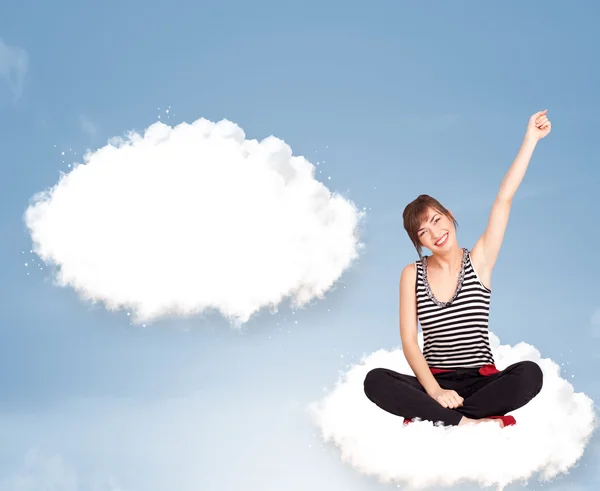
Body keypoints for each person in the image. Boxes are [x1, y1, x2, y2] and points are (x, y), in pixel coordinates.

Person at [363, 110, 551, 428]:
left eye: (437, 220)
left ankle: (442, 421)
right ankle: (469, 423)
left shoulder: (479, 260)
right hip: (434, 383)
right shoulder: (412, 274)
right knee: (375, 381)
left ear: (449, 215)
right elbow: (409, 339)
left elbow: (503, 200)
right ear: (419, 241)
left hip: (482, 382)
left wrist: (530, 140)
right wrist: (435, 391)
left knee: (530, 374)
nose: (435, 233)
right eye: (423, 231)